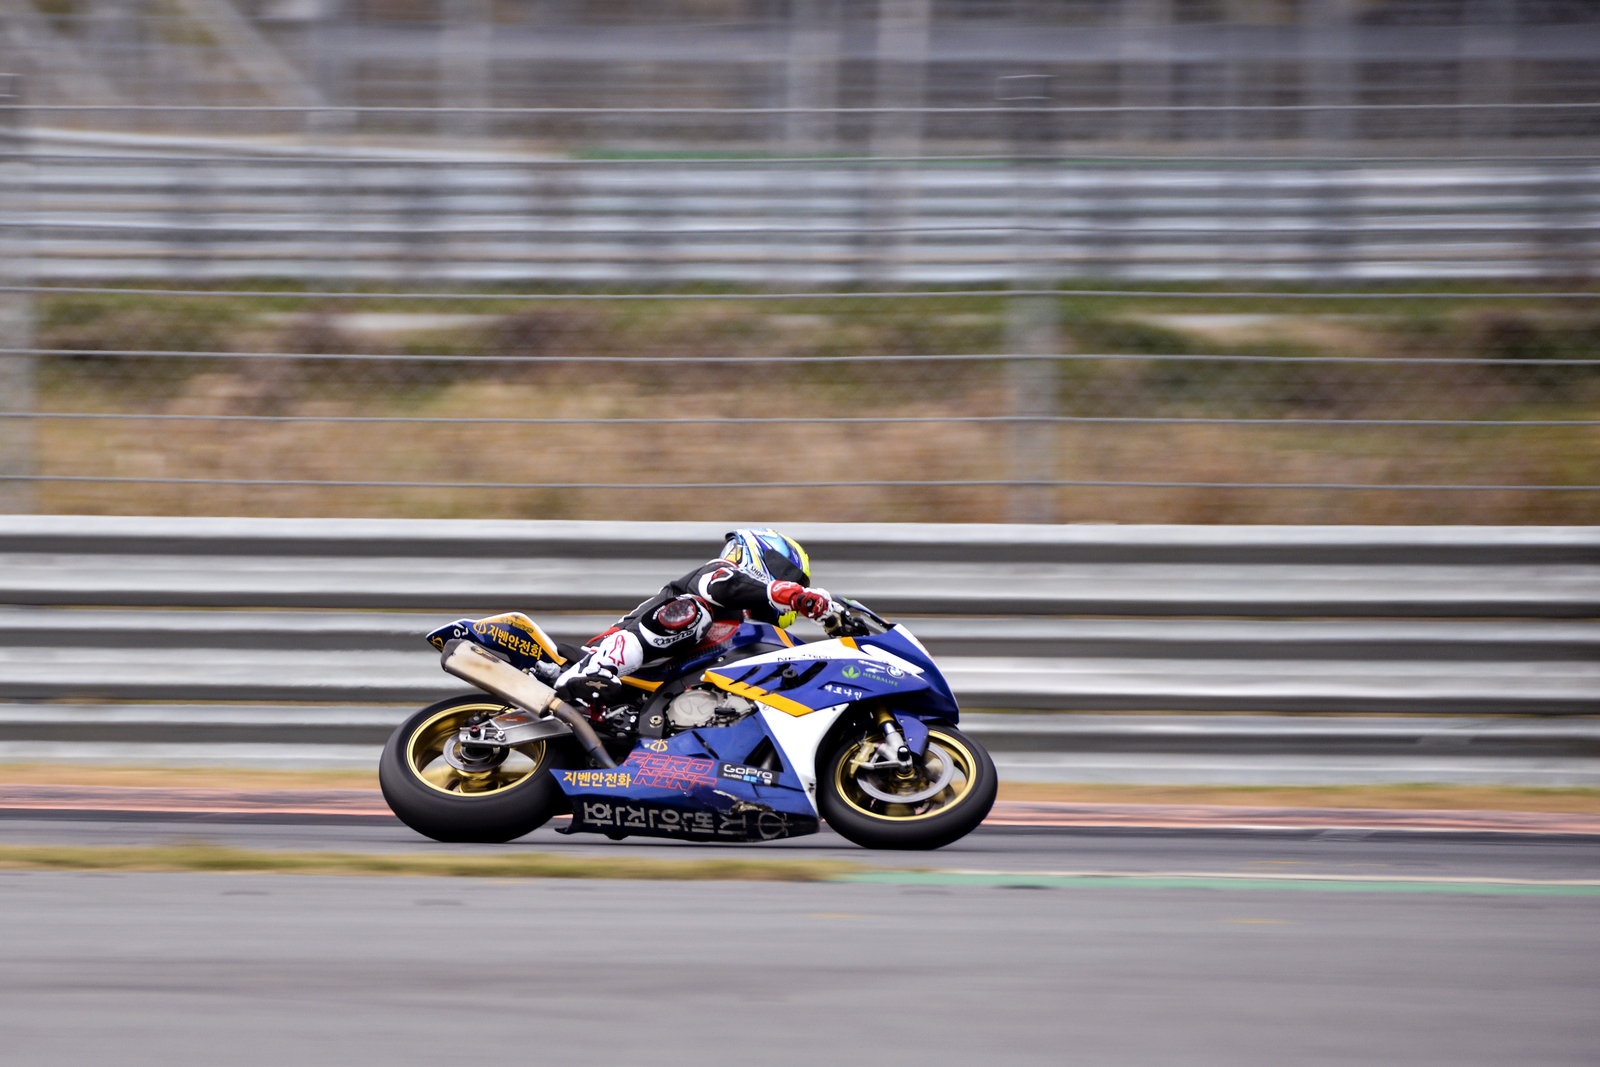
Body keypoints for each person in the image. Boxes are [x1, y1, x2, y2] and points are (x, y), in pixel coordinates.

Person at [553, 528, 834, 708]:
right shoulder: (719, 574)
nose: (794, 586)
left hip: (654, 692)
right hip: (623, 666)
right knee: (694, 612)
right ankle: (596, 669)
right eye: (790, 577)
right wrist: (793, 595)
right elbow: (724, 587)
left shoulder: (745, 626)